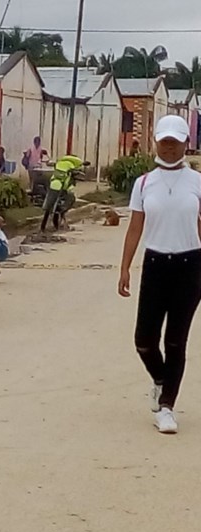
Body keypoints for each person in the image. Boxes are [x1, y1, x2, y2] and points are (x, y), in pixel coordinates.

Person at [118, 115, 201, 435]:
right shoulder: (143, 183)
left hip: (190, 265)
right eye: (164, 141)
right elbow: (135, 226)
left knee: (176, 340)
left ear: (185, 144)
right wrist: (125, 266)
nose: (169, 147)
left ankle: (167, 406)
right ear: (156, 142)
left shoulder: (196, 182)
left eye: (175, 142)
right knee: (144, 341)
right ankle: (160, 379)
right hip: (155, 264)